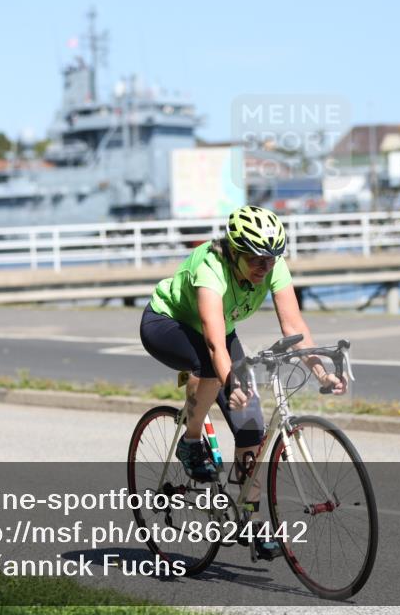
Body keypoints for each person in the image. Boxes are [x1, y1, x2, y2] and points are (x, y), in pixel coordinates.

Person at [140, 205, 346, 560]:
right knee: (210, 366)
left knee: (251, 426)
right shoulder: (210, 269)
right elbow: (214, 343)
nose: (265, 268)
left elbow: (294, 328)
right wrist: (231, 384)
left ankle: (249, 520)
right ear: (234, 252)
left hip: (219, 332)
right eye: (256, 260)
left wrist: (321, 372)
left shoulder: (273, 266)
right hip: (167, 324)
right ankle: (190, 442)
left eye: (271, 259)